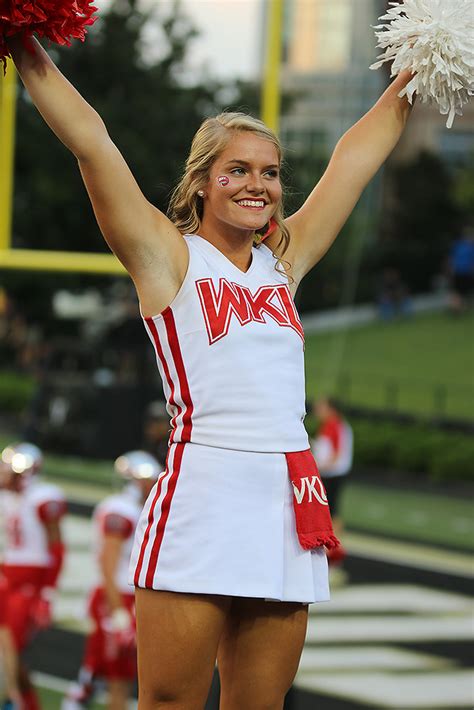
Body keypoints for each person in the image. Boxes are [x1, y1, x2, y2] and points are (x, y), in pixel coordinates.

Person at [10, 32, 413, 709]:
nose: (257, 184)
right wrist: (23, 43)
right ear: (201, 182)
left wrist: (414, 75)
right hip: (205, 490)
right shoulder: (166, 257)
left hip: (286, 497)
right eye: (238, 169)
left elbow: (353, 160)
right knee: (169, 701)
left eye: (270, 172)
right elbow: (93, 144)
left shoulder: (283, 262)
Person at [62, 451, 161, 710]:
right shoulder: (121, 509)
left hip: (123, 596)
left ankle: (78, 695)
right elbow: (109, 563)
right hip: (115, 596)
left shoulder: (133, 507)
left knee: (108, 673)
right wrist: (118, 611)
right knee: (117, 678)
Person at [0, 442, 67, 710]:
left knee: (11, 651)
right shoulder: (8, 497)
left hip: (30, 581)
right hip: (8, 576)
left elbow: (57, 548)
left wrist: (47, 594)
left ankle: (18, 703)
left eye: (8, 466)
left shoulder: (43, 497)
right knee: (8, 653)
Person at [310, 398, 354, 565]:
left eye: (321, 407)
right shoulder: (335, 425)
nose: (318, 411)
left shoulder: (333, 425)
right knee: (331, 510)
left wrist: (319, 467)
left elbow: (335, 453)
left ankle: (333, 549)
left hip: (332, 474)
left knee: (331, 511)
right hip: (333, 473)